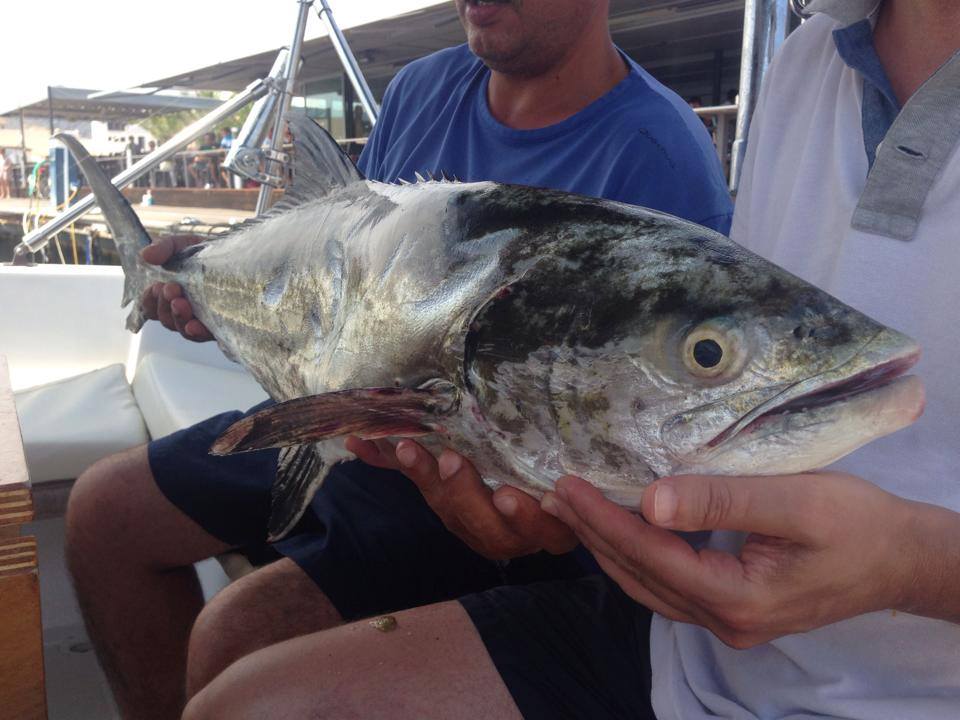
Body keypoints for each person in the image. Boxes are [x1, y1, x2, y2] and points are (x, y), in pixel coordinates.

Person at [183, 1, 960, 719]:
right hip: (682, 641)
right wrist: (549, 489)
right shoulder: (808, 53)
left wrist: (909, 564)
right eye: (708, 353)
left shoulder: (658, 138)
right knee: (242, 699)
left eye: (707, 355)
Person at [65, 1, 731, 719]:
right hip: (363, 409)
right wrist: (227, 306)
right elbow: (342, 274)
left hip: (470, 468)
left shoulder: (657, 154)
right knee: (105, 512)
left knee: (233, 636)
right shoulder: (423, 88)